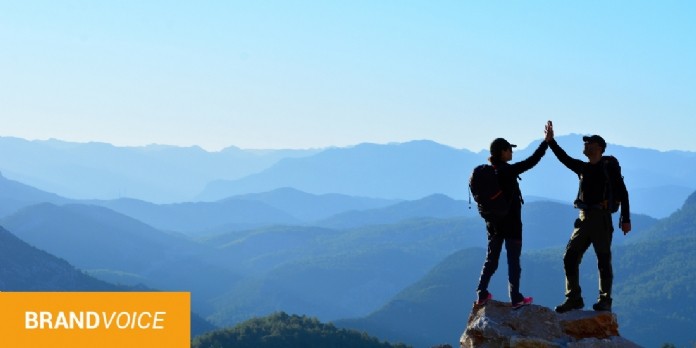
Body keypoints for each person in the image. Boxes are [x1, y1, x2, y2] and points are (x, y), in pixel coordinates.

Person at [545, 121, 631, 313]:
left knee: (603, 260)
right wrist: (551, 142)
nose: (585, 145)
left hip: (601, 218)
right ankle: (574, 298)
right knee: (570, 257)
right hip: (583, 218)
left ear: (599, 147)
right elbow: (564, 158)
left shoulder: (608, 169)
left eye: (589, 143)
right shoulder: (583, 168)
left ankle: (605, 300)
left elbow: (623, 193)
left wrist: (625, 219)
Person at [475, 124, 552, 308]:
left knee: (491, 259)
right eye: (510, 149)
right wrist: (546, 143)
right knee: (513, 262)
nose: (512, 152)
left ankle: (481, 293)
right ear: (502, 152)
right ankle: (515, 298)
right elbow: (531, 161)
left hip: (493, 224)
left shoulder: (488, 172)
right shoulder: (507, 171)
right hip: (511, 224)